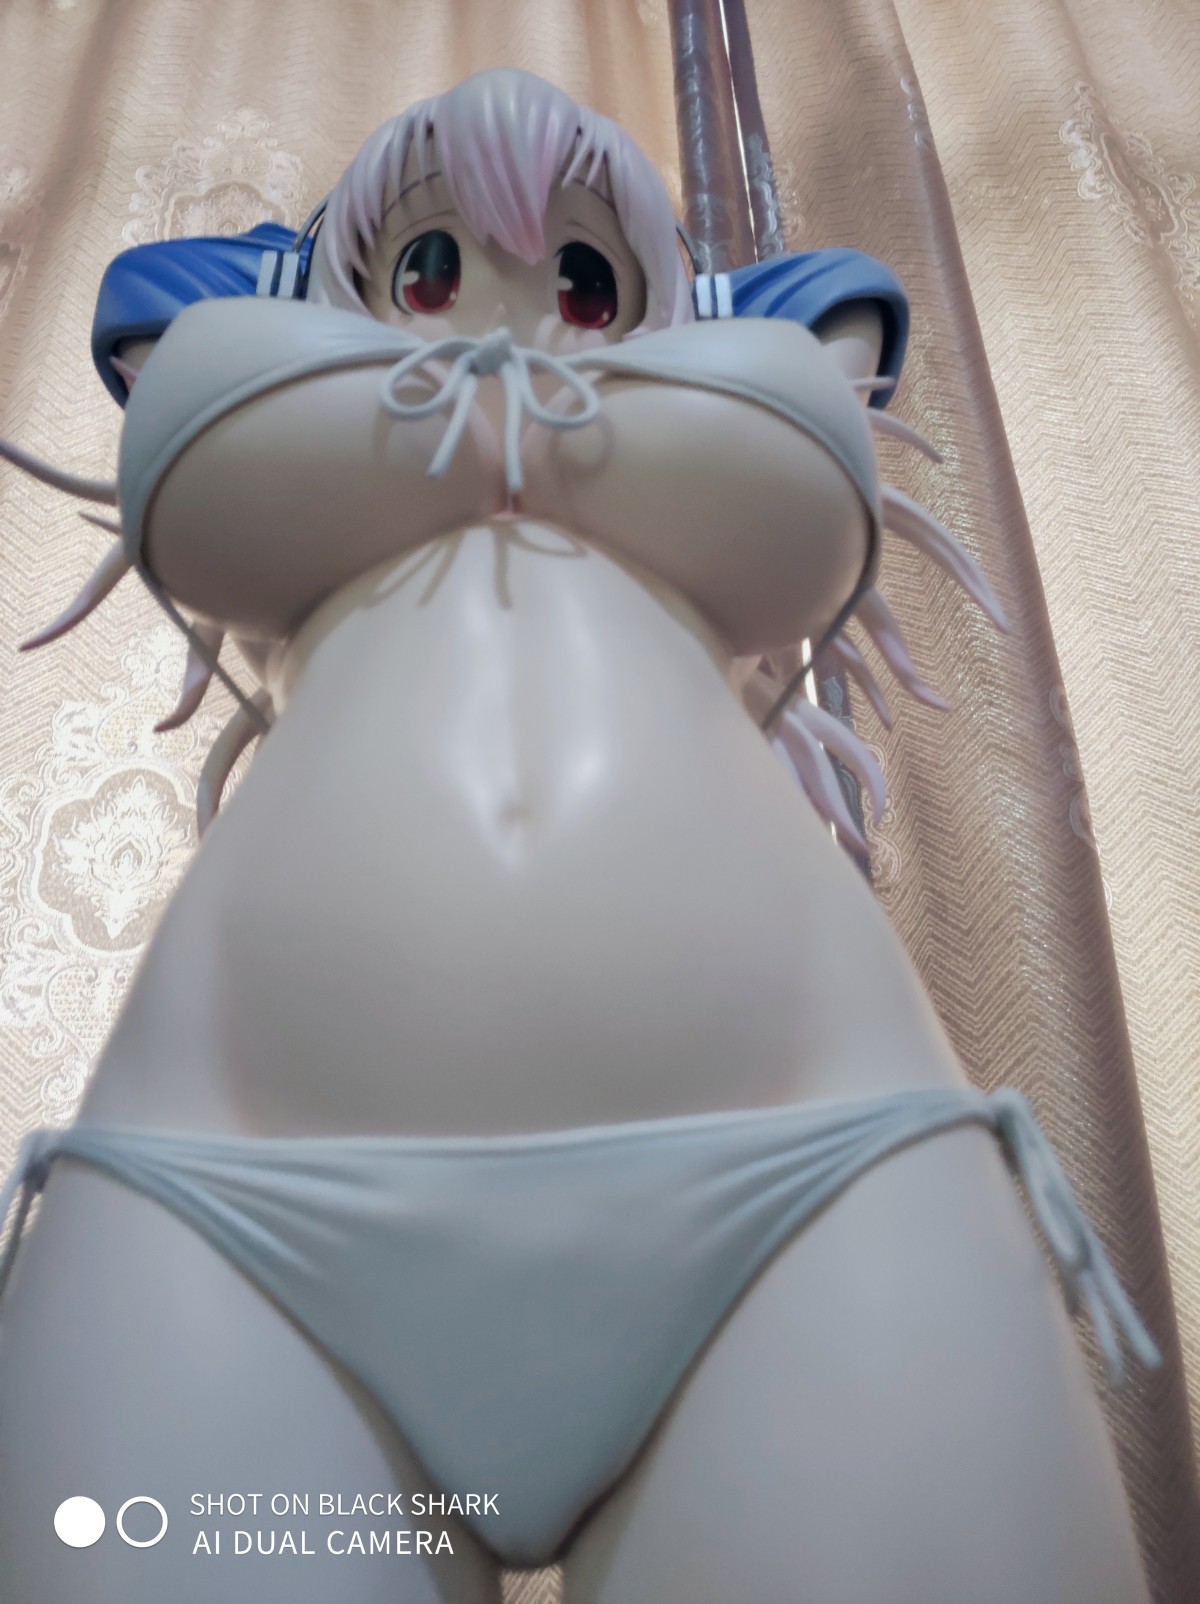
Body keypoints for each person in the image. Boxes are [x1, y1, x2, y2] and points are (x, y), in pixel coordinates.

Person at [0, 66, 1155, 1604]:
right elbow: (170, 346)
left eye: (590, 285)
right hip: (233, 1211)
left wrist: (452, 397)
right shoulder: (275, 369)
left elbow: (831, 351)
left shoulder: (728, 400)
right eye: (425, 268)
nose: (512, 324)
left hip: (805, 1187)